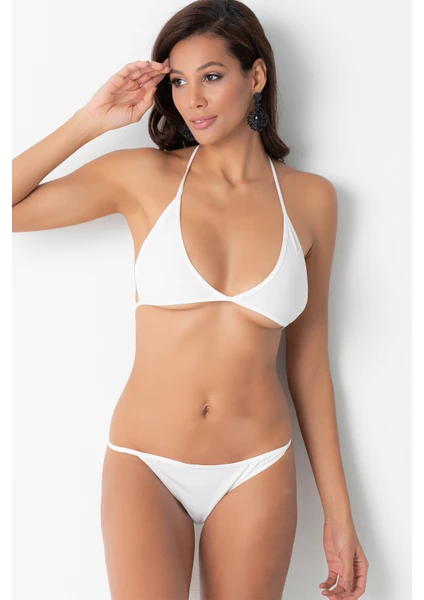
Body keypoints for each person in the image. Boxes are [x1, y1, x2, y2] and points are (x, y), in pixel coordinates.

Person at [12, 1, 369, 598]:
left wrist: (339, 513)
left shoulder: (313, 200)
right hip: (145, 461)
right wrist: (90, 121)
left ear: (256, 76)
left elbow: (309, 366)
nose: (193, 100)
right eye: (178, 81)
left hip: (256, 465)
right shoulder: (143, 177)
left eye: (212, 76)